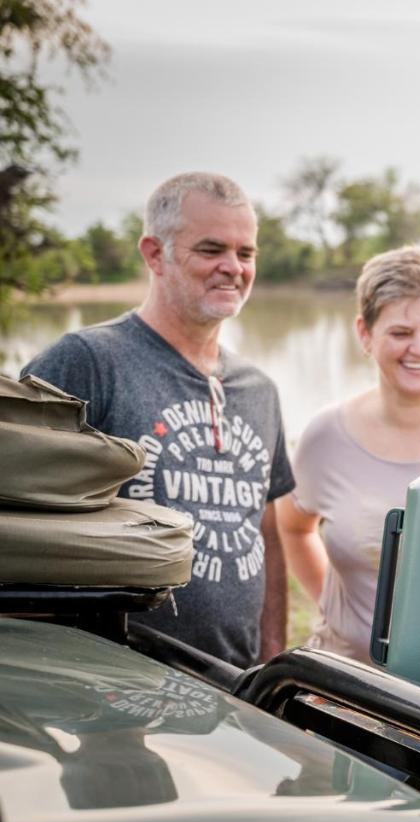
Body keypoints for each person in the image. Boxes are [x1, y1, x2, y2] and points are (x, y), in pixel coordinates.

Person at [23, 172, 293, 669]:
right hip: (113, 686)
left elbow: (267, 530)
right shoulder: (85, 363)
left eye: (246, 253)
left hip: (235, 692)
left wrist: (271, 659)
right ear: (154, 254)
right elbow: (18, 521)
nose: (232, 267)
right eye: (211, 249)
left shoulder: (261, 390)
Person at [276, 246, 420, 664]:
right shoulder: (326, 435)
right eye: (401, 333)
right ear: (365, 334)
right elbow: (294, 528)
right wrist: (336, 612)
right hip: (346, 682)